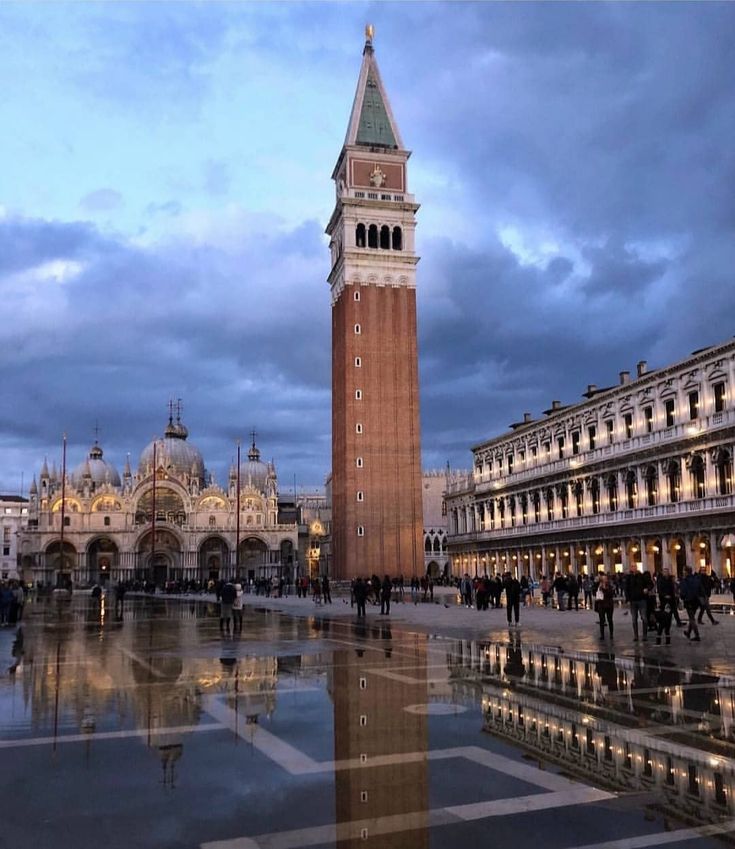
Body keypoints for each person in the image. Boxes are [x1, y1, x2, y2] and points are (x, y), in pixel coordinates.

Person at [624, 564, 651, 641]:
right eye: (632, 566)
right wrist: (627, 599)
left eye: (634, 566)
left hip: (642, 599)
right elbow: (626, 589)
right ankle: (636, 635)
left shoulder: (642, 576)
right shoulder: (628, 578)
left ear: (637, 567)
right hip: (633, 600)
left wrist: (647, 589)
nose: (633, 568)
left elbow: (650, 584)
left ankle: (644, 635)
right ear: (631, 568)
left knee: (644, 618)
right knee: (634, 619)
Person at [679, 567, 701, 641]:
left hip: (689, 601)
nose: (682, 572)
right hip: (696, 601)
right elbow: (699, 588)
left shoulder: (684, 580)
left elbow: (683, 592)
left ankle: (697, 635)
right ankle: (688, 632)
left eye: (683, 571)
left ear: (686, 572)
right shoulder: (695, 579)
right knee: (692, 617)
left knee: (692, 619)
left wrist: (682, 597)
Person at [595, 574, 615, 639]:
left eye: (605, 579)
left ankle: (611, 634)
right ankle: (602, 635)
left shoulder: (610, 586)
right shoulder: (598, 586)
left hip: (609, 605)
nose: (604, 580)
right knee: (601, 620)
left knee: (610, 620)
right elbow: (594, 592)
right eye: (602, 579)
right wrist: (596, 583)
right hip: (601, 605)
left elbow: (610, 594)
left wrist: (603, 589)